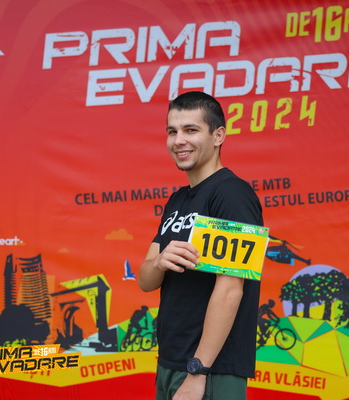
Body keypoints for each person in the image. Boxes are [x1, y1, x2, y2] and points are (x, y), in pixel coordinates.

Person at [138, 91, 263, 400]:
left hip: (209, 370)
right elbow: (145, 280)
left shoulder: (232, 194)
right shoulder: (177, 200)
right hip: (172, 363)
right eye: (172, 131)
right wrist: (159, 262)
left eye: (191, 130)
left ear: (218, 135)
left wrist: (198, 371)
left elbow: (231, 289)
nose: (179, 140)